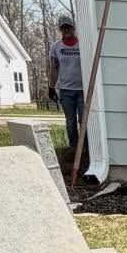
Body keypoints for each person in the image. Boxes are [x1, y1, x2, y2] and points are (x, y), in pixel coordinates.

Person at [48, 15, 85, 154]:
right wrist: (51, 87)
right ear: (60, 29)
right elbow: (54, 67)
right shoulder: (56, 47)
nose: (66, 30)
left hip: (83, 90)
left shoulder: (81, 44)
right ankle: (74, 148)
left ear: (73, 27)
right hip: (66, 91)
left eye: (68, 27)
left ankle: (85, 148)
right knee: (70, 121)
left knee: (83, 120)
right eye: (63, 27)